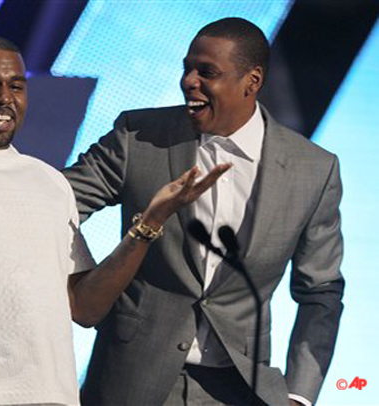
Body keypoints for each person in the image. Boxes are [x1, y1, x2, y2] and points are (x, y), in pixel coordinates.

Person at [0, 36, 230, 405]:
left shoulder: (50, 183)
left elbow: (84, 307)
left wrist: (149, 222)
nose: (3, 97)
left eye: (16, 86)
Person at [63, 18, 344, 406]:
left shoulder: (313, 169)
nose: (189, 81)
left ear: (253, 81)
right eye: (187, 69)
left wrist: (298, 395)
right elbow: (55, 203)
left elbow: (321, 292)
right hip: (128, 378)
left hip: (236, 389)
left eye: (206, 72)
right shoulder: (139, 136)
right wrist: (86, 284)